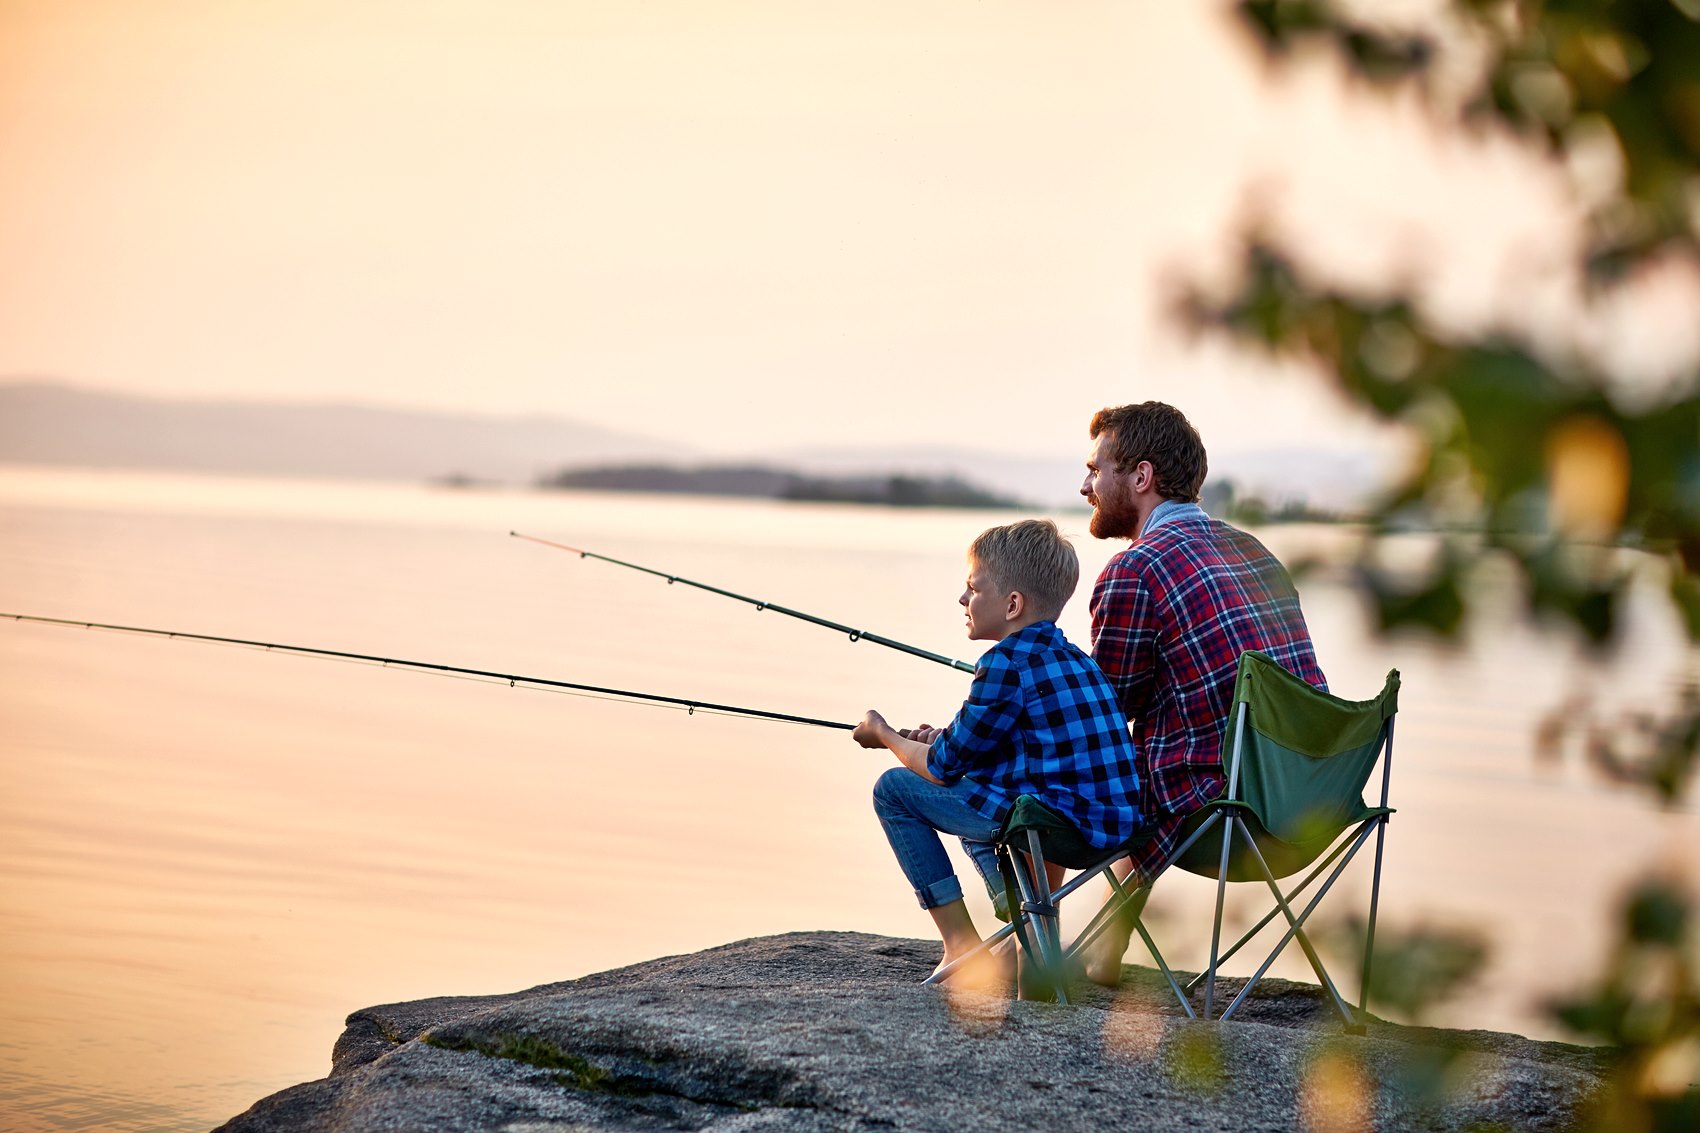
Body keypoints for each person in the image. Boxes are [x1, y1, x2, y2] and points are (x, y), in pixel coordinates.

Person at [1075, 401, 1326, 985]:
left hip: (1226, 820)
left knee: (1082, 753)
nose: (1084, 484)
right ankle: (1107, 945)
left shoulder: (1135, 571)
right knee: (1179, 747)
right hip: (1308, 803)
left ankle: (1028, 951)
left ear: (1140, 477)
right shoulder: (1255, 552)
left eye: (1095, 469)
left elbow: (1107, 719)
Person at [852, 518, 1143, 987]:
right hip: (1112, 832)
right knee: (983, 787)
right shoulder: (1078, 661)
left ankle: (962, 943)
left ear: (1012, 604)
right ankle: (1026, 938)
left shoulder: (1005, 663)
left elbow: (944, 766)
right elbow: (1014, 742)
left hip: (1051, 828)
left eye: (972, 588)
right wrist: (939, 736)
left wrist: (885, 734)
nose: (962, 600)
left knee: (894, 790)